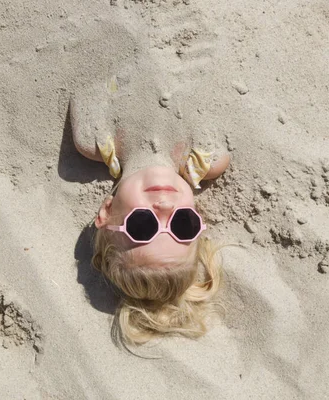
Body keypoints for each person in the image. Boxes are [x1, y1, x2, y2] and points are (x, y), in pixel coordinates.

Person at [70, 70, 230, 345]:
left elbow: (88, 70)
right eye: (183, 224)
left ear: (106, 212)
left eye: (142, 224)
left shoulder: (93, 140)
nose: (166, 205)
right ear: (197, 217)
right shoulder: (209, 158)